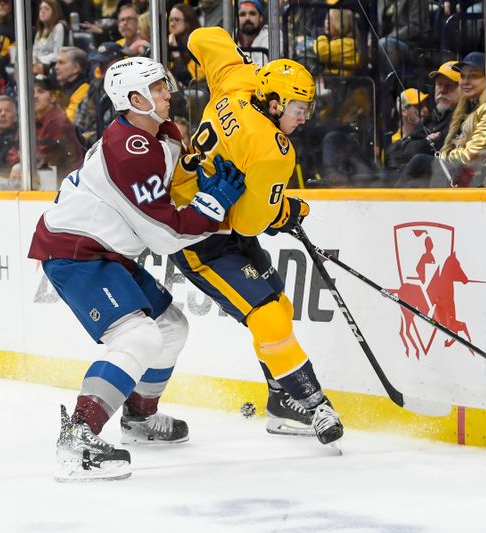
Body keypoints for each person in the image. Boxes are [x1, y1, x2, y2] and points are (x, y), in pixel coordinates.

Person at [27, 56, 247, 481]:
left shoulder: (159, 132)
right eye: (158, 88)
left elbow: (173, 188)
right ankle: (78, 438)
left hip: (107, 250)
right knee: (140, 334)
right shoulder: (130, 152)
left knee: (171, 327)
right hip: (77, 251)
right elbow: (164, 236)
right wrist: (213, 207)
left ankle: (140, 418)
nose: (169, 93)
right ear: (134, 99)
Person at [168, 25, 344, 446]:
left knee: (278, 305)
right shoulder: (272, 151)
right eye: (299, 107)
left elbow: (203, 36)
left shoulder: (239, 81)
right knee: (265, 313)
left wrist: (239, 64)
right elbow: (250, 222)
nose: (304, 116)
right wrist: (286, 210)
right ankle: (314, 403)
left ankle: (283, 403)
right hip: (195, 237)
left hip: (208, 217)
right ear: (273, 101)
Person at [397, 51, 486, 188]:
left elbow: (471, 155)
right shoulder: (472, 109)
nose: (465, 82)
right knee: (415, 182)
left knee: (420, 161)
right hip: (477, 174)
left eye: (473, 76)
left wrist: (443, 155)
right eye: (463, 76)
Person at [33, 74, 83, 179]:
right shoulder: (31, 122)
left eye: (41, 92)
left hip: (62, 182)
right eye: (32, 92)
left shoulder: (59, 123)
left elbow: (46, 158)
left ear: (52, 97)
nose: (35, 96)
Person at [54, 46, 89, 123]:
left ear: (76, 68)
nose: (56, 67)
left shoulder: (84, 89)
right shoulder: (61, 87)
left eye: (61, 63)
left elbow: (68, 121)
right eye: (56, 63)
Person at [33, 0, 68, 75]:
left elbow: (57, 54)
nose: (42, 11)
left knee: (34, 70)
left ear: (54, 12)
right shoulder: (40, 31)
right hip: (39, 63)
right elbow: (35, 50)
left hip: (53, 64)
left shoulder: (59, 27)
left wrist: (40, 60)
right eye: (41, 9)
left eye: (46, 9)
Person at [236, 0, 270, 66]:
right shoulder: (230, 37)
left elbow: (263, 67)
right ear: (237, 18)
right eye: (242, 14)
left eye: (252, 13)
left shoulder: (272, 36)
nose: (247, 18)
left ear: (261, 17)